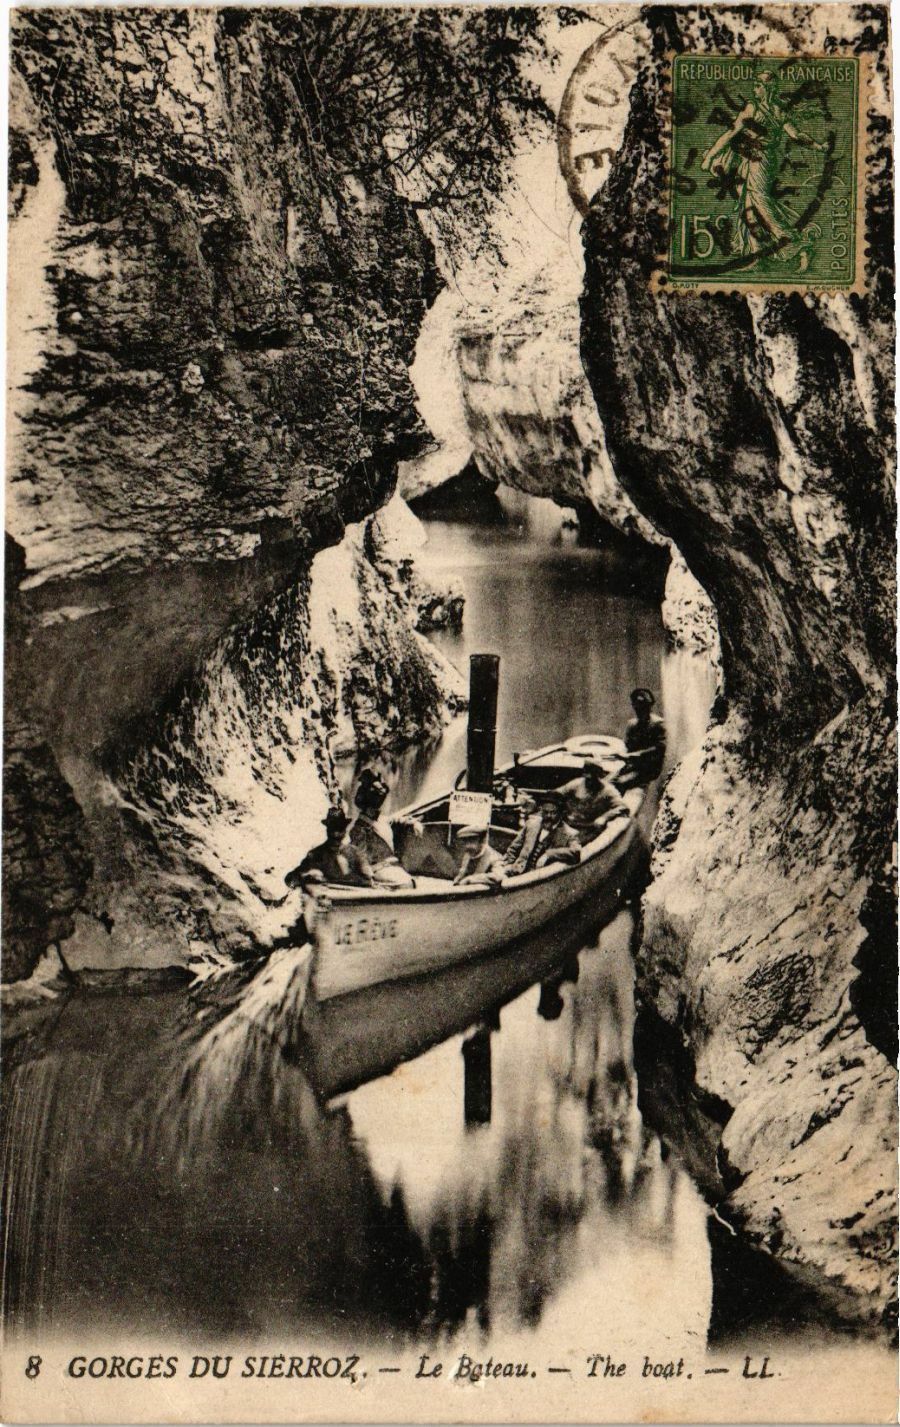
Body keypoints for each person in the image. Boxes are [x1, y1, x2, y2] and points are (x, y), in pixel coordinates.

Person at [537, 763, 627, 868]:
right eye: (586, 777)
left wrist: (604, 817)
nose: (588, 781)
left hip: (588, 830)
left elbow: (622, 807)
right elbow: (557, 794)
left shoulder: (608, 791)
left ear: (598, 777)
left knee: (570, 847)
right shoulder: (577, 784)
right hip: (567, 825)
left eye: (592, 778)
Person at [349, 767, 415, 887]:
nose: (378, 807)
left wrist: (410, 822)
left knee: (410, 882)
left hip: (393, 867)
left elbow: (393, 821)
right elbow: (360, 860)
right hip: (377, 872)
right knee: (405, 883)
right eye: (375, 798)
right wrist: (369, 879)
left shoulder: (383, 820)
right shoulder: (360, 829)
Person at [285, 807, 374, 888]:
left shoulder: (355, 854)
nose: (336, 834)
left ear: (345, 830)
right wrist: (305, 876)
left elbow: (368, 881)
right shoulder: (316, 855)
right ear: (327, 830)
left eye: (340, 829)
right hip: (324, 899)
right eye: (332, 829)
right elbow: (290, 881)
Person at [620, 688, 667, 787]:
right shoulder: (632, 725)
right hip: (633, 766)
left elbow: (659, 748)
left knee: (620, 783)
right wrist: (624, 756)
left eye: (643, 708)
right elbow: (627, 746)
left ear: (649, 707)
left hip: (649, 769)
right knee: (609, 780)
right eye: (636, 708)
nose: (639, 711)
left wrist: (634, 755)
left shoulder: (657, 724)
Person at [503, 794, 544, 876]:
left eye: (527, 806)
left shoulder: (534, 823)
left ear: (538, 808)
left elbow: (527, 849)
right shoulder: (532, 821)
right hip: (510, 860)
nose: (523, 809)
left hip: (514, 865)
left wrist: (515, 869)